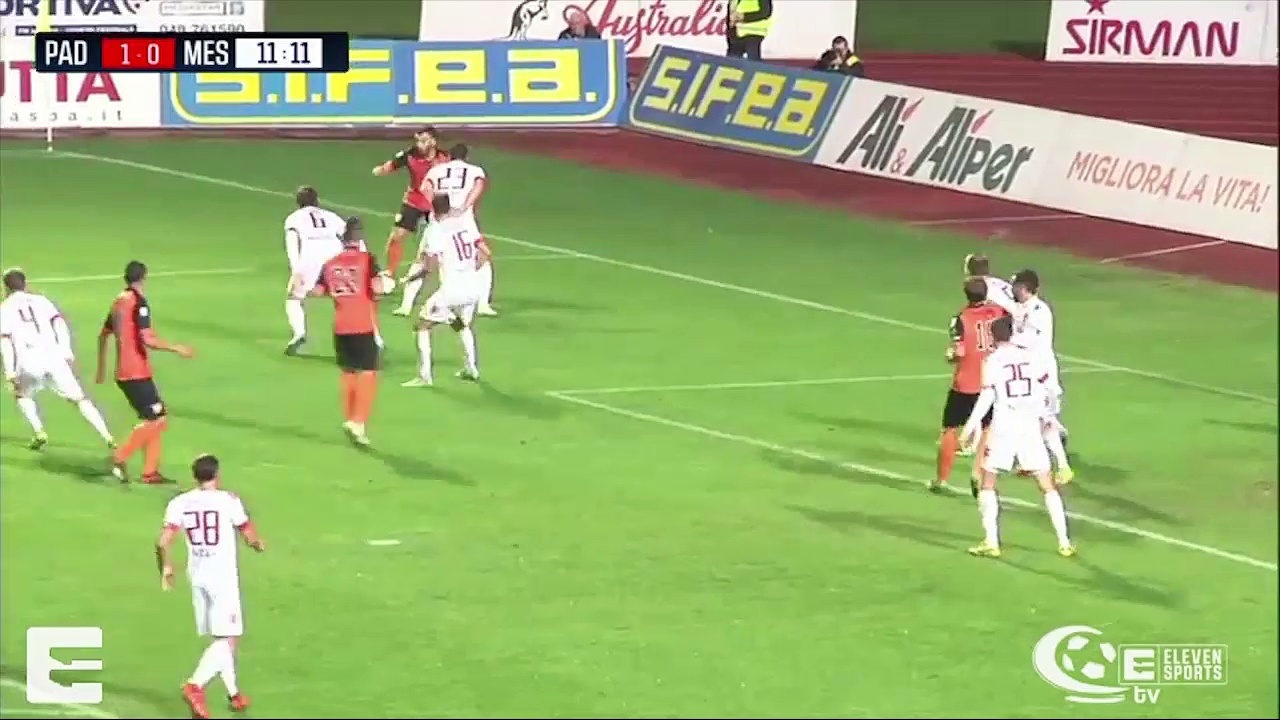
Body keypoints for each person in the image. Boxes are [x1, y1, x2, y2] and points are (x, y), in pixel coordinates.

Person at [157, 454, 264, 719]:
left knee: (222, 637)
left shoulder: (180, 502)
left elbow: (163, 541)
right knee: (228, 637)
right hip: (222, 577)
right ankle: (195, 685)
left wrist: (166, 568)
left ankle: (234, 694)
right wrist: (258, 544)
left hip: (198, 576)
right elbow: (248, 533)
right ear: (217, 474)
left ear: (195, 477)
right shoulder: (228, 501)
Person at [959, 316, 1075, 559]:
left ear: (992, 337)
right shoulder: (1030, 356)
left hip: (1004, 425)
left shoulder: (992, 361)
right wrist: (1047, 413)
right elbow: (1047, 387)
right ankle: (1064, 542)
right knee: (1046, 483)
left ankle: (992, 541)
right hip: (1029, 424)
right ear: (1012, 333)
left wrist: (969, 426)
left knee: (988, 481)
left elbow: (988, 396)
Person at [96, 261, 194, 484]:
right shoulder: (138, 302)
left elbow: (103, 335)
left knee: (155, 417)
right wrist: (176, 348)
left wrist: (101, 368)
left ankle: (150, 472)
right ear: (144, 278)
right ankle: (120, 457)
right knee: (157, 419)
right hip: (136, 372)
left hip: (124, 372)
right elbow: (147, 339)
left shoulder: (118, 302)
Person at [0, 269, 114, 450]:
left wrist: (10, 372)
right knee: (80, 399)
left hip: (28, 361)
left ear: (6, 287)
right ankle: (107, 436)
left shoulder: (4, 309)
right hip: (53, 357)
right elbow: (59, 324)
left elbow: (6, 341)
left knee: (21, 394)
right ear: (25, 283)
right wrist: (66, 352)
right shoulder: (42, 301)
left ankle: (39, 431)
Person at [396, 143, 497, 318]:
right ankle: (483, 304)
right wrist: (466, 205)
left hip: (439, 220)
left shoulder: (437, 170)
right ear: (466, 157)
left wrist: (435, 207)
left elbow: (425, 188)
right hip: (463, 221)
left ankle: (406, 305)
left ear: (449, 156)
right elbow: (479, 185)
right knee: (482, 259)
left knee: (423, 261)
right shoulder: (475, 170)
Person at [401, 194, 490, 387]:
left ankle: (424, 376)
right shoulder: (466, 223)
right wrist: (470, 269)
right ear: (449, 207)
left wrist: (409, 279)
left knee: (421, 325)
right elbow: (485, 253)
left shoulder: (436, 230)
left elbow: (429, 267)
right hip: (473, 287)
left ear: (432, 209)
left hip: (452, 289)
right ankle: (471, 368)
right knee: (461, 324)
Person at [311, 217, 383, 446]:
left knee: (348, 372)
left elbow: (317, 291)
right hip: (362, 324)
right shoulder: (367, 259)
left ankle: (349, 418)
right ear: (359, 239)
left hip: (340, 326)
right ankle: (359, 422)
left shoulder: (330, 263)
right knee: (369, 371)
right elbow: (378, 288)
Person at [931, 278, 1006, 491]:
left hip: (966, 383)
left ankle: (941, 480)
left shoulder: (961, 318)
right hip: (991, 381)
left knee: (950, 429)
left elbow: (960, 351)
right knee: (987, 429)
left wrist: (950, 356)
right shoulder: (999, 312)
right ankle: (978, 472)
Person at [1010, 269, 1073, 483]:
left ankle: (1063, 467)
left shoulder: (1039, 310)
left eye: (1015, 285)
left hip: (1042, 376)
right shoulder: (1022, 308)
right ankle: (1030, 461)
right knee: (1032, 419)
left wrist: (1006, 341)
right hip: (1029, 373)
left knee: (1044, 422)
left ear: (1024, 288)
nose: (1012, 289)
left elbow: (1031, 340)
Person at [371, 127, 449, 277]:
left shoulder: (445, 158)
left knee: (444, 240)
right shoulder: (409, 155)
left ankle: (448, 271)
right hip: (414, 202)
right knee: (397, 237)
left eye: (424, 141)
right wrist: (380, 170)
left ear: (433, 142)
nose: (419, 145)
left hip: (436, 204)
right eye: (418, 141)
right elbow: (391, 166)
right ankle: (390, 273)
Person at [282, 186, 350, 356]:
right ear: (317, 200)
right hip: (335, 255)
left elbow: (292, 244)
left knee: (294, 297)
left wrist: (296, 270)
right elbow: (349, 236)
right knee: (348, 299)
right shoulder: (331, 215)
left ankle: (299, 333)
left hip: (311, 256)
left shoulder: (294, 218)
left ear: (298, 202)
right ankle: (375, 338)